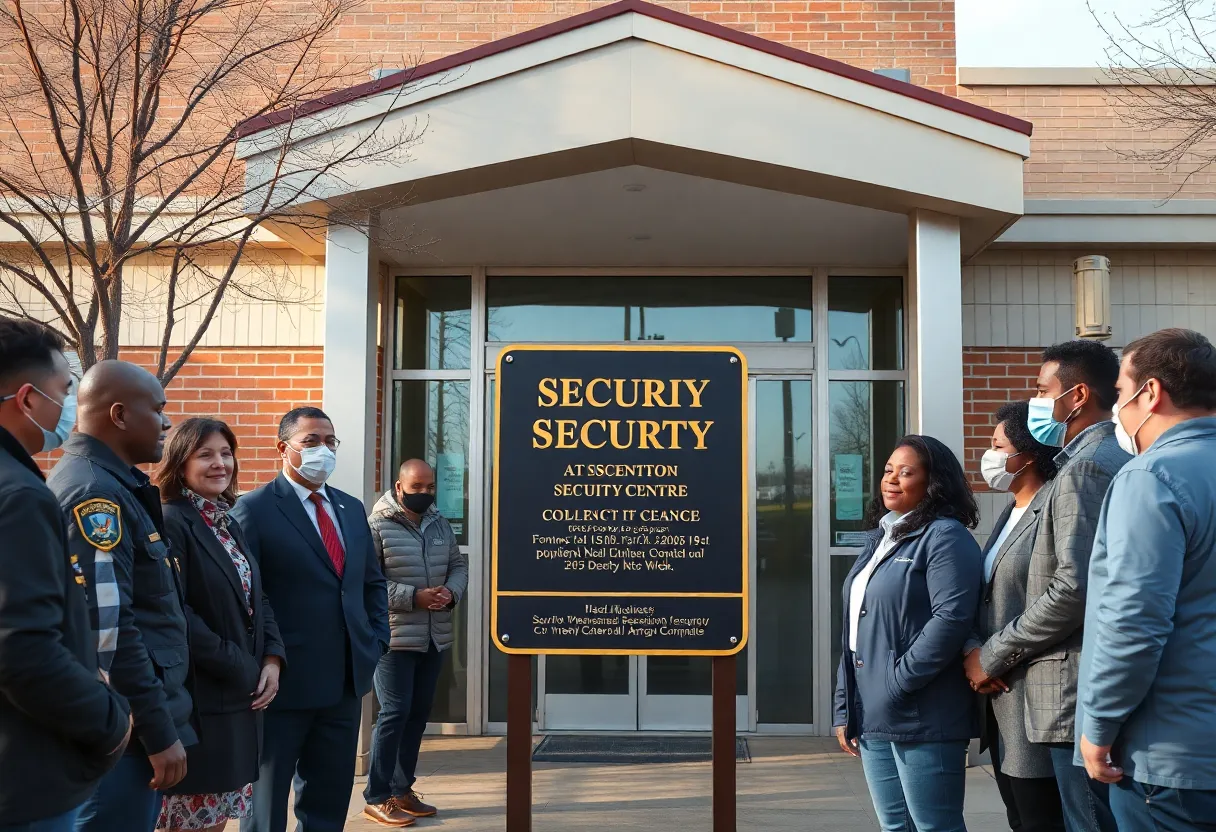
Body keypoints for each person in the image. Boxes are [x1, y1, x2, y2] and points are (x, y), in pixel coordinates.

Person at [966, 340, 1128, 832]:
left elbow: (1074, 588)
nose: (1037, 402)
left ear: (1076, 396)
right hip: (1027, 695)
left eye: (1043, 391)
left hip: (1060, 695)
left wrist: (991, 654)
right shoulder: (1079, 462)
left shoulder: (1087, 467)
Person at [1076, 328, 1216, 831]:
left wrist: (1097, 727)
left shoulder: (1151, 477)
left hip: (1170, 760)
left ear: (1150, 392)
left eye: (1119, 392)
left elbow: (1134, 620)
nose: (1118, 407)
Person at [47, 360, 195, 832]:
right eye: (157, 409)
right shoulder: (95, 496)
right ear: (119, 415)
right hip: (124, 734)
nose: (168, 422)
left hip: (130, 726)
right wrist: (156, 729)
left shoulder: (116, 485)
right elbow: (109, 631)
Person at [0, 319, 132, 832]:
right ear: (29, 398)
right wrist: (110, 720)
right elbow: (22, 647)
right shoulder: (19, 496)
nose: (69, 407)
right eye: (64, 391)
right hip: (24, 777)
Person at [232, 406, 390, 832]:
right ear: (283, 449)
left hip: (344, 680)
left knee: (329, 798)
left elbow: (371, 582)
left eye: (330, 441)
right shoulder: (254, 509)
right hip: (282, 682)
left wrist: (376, 640)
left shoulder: (352, 508)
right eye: (311, 441)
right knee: (265, 805)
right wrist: (265, 659)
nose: (324, 449)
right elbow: (245, 594)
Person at [833, 435, 983, 832]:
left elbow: (951, 618)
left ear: (933, 483)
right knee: (895, 826)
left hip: (922, 711)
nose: (891, 480)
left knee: (935, 826)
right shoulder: (881, 538)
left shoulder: (944, 537)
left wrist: (898, 683)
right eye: (887, 470)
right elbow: (854, 629)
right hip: (871, 712)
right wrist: (845, 706)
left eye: (906, 472)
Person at [153, 418, 287, 831]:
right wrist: (241, 666)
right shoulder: (171, 521)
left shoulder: (225, 520)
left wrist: (271, 658)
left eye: (226, 453)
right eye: (205, 454)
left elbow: (257, 596)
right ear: (179, 462)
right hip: (201, 705)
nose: (220, 463)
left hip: (238, 706)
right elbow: (175, 611)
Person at [964, 402, 1064, 832]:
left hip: (1029, 694)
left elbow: (1061, 598)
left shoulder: (1050, 505)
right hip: (1000, 696)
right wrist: (973, 651)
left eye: (997, 446)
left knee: (1040, 818)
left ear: (1027, 455)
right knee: (1018, 817)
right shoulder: (1009, 511)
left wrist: (991, 658)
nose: (990, 457)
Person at [362, 459, 469, 827]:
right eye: (417, 487)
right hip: (394, 639)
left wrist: (449, 594)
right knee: (393, 714)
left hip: (433, 637)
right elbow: (369, 582)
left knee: (418, 715)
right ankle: (377, 796)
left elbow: (458, 565)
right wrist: (413, 597)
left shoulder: (439, 523)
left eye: (430, 487)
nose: (424, 493)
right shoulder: (377, 526)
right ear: (398, 486)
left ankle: (402, 788)